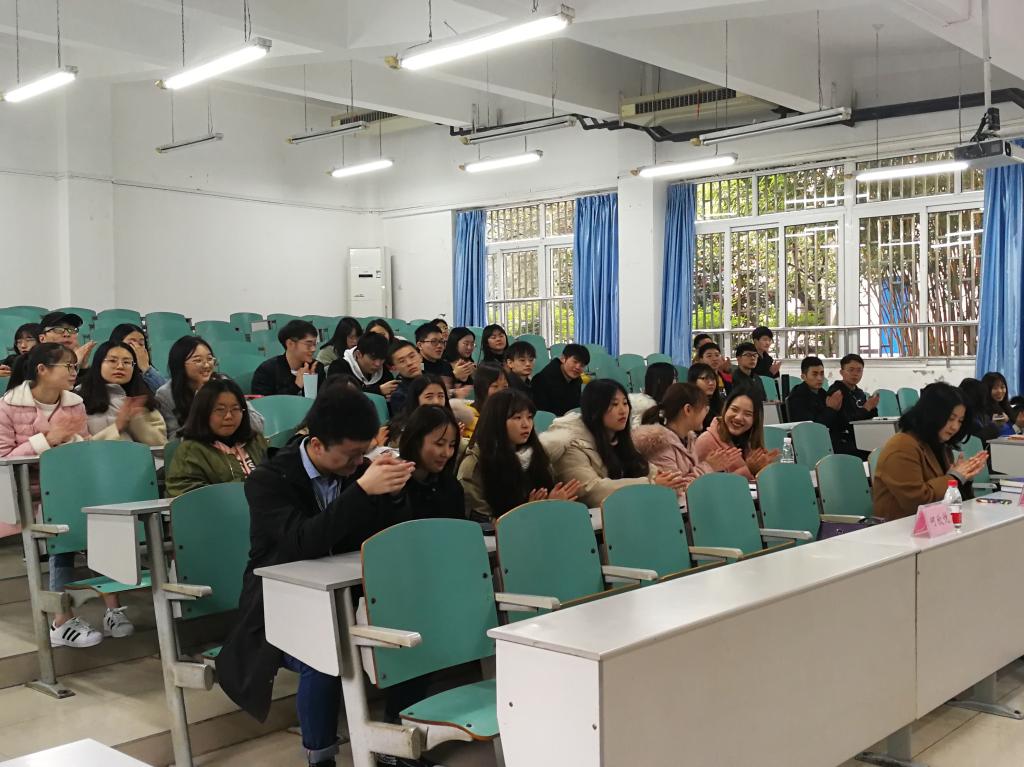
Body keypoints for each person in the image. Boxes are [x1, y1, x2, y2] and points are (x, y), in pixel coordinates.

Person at [216, 386, 426, 767]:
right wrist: (361, 491)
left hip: (347, 597)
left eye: (363, 452)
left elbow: (386, 535)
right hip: (279, 605)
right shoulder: (268, 480)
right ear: (316, 445)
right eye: (350, 454)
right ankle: (321, 757)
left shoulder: (357, 472)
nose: (358, 462)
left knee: (411, 631)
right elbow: (302, 541)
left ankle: (396, 740)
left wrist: (395, 493)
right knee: (322, 655)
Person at [0, 343, 130, 647]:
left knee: (105, 518)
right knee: (66, 523)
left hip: (68, 485)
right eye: (68, 367)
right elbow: (3, 460)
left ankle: (113, 610)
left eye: (75, 366)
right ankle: (61, 620)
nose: (75, 372)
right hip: (25, 492)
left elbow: (82, 447)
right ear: (42, 370)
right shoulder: (7, 405)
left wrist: (73, 444)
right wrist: (46, 440)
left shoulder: (74, 403)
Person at [540, 379, 686, 508]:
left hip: (625, 514)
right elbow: (591, 492)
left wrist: (669, 480)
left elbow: (647, 470)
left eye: (625, 403)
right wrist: (650, 485)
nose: (623, 410)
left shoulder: (619, 438)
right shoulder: (570, 443)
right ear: (595, 409)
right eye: (614, 404)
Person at [458, 388, 580, 522]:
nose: (526, 425)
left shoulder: (536, 454)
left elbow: (544, 505)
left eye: (529, 417)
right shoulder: (476, 463)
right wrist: (526, 514)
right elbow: (481, 520)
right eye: (517, 418)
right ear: (497, 421)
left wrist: (553, 505)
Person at [873, 382, 988, 521]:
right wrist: (955, 477)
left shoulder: (941, 445)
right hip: (899, 527)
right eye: (951, 418)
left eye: (960, 421)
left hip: (936, 524)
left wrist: (965, 478)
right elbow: (917, 502)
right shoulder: (902, 447)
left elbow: (950, 498)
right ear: (931, 414)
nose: (955, 427)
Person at [166, 378, 268, 497]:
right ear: (203, 412)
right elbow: (189, 496)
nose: (229, 416)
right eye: (220, 410)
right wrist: (245, 485)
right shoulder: (190, 451)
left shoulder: (256, 441)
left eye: (235, 409)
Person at [633, 382, 739, 486]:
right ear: (688, 409)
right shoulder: (659, 444)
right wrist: (709, 466)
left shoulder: (688, 439)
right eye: (705, 409)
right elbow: (678, 488)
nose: (706, 414)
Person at [76, 341, 167, 445]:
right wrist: (117, 426)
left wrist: (137, 420)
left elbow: (161, 445)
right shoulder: (80, 399)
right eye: (112, 360)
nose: (120, 366)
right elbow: (79, 447)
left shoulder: (143, 400)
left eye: (127, 362)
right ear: (98, 364)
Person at [394, 405, 465, 522]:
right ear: (416, 441)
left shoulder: (451, 485)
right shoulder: (393, 484)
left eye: (452, 445)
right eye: (439, 444)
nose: (447, 453)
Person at [695, 390, 779, 480]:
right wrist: (748, 470)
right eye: (734, 410)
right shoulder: (706, 441)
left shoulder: (750, 443)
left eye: (747, 414)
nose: (738, 417)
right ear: (725, 409)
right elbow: (704, 484)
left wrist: (766, 468)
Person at [786, 356, 858, 456]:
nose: (819, 378)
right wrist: (831, 409)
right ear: (803, 377)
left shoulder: (823, 394)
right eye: (814, 374)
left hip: (833, 439)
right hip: (813, 445)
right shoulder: (797, 398)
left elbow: (840, 423)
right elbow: (812, 429)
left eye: (822, 373)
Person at [252, 320, 326, 398]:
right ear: (290, 344)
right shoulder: (267, 370)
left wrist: (311, 385)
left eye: (315, 344)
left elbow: (324, 401)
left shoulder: (316, 368)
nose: (313, 349)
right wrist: (296, 386)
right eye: (308, 344)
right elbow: (264, 403)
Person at [825, 354, 880, 450]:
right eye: (851, 370)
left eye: (859, 370)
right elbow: (847, 422)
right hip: (842, 441)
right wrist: (867, 407)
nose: (855, 374)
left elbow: (867, 419)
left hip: (861, 437)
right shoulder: (837, 392)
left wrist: (872, 407)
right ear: (842, 372)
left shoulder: (860, 393)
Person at [327, 332, 397, 398]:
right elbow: (338, 395)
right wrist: (378, 390)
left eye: (382, 359)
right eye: (372, 358)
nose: (377, 364)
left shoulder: (383, 371)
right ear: (358, 354)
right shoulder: (339, 367)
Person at [531, 343, 590, 416]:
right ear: (563, 359)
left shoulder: (577, 381)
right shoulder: (541, 380)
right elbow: (541, 415)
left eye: (582, 365)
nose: (578, 367)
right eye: (575, 362)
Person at [109, 323, 168, 393]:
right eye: (131, 344)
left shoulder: (148, 374)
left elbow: (168, 396)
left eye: (141, 344)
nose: (137, 348)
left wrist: (146, 368)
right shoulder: (108, 370)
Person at [416, 323, 470, 392]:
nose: (440, 346)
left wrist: (463, 378)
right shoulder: (416, 367)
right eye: (434, 341)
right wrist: (454, 376)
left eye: (441, 341)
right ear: (420, 345)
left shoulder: (446, 365)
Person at [462, 362, 508, 439]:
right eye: (495, 386)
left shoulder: (511, 415)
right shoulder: (466, 417)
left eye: (505, 386)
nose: (501, 391)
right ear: (481, 388)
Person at [629, 362, 678, 429]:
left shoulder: (668, 403)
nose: (676, 382)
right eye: (674, 378)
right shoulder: (644, 405)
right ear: (659, 380)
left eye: (676, 378)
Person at [958, 378, 1004, 444]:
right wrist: (997, 424)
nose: (999, 391)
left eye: (1002, 387)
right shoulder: (969, 414)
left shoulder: (1003, 407)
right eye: (995, 388)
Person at [385, 339, 424, 416]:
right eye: (402, 361)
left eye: (412, 356)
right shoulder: (398, 395)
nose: (409, 363)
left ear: (420, 356)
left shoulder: (433, 380)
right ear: (394, 367)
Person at [442, 327, 477, 395]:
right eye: (466, 344)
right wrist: (454, 375)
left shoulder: (471, 364)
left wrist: (476, 375)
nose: (470, 347)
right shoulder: (443, 363)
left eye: (472, 344)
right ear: (455, 343)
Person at [688, 363, 722, 432]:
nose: (711, 383)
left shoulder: (720, 403)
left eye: (713, 379)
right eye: (705, 378)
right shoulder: (688, 405)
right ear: (693, 381)